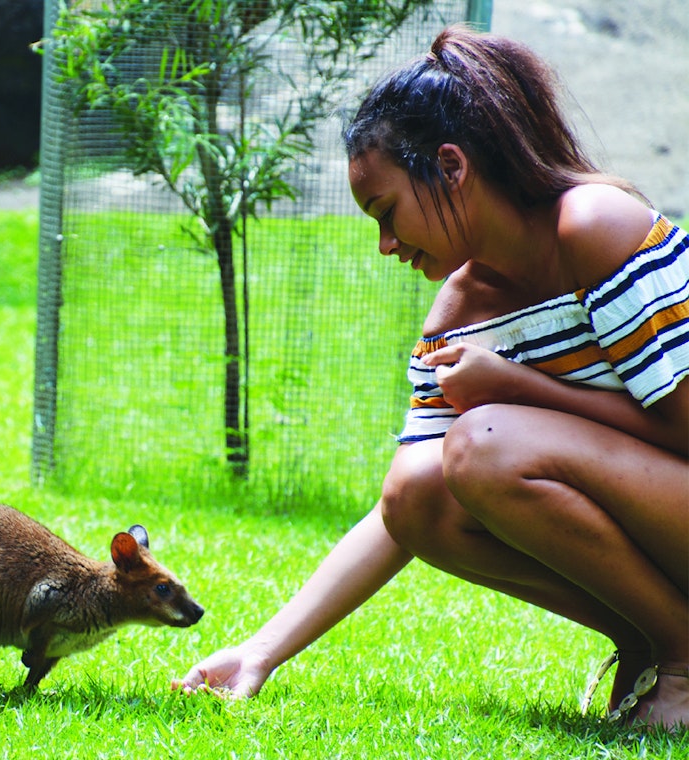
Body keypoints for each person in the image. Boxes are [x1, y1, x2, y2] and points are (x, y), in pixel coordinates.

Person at [171, 24, 688, 730]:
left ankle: (682, 656)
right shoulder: (458, 315)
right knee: (418, 490)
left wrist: (518, 388)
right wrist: (261, 651)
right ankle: (646, 636)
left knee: (486, 442)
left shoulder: (596, 224)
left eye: (387, 211)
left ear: (451, 167)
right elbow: (397, 516)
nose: (385, 246)